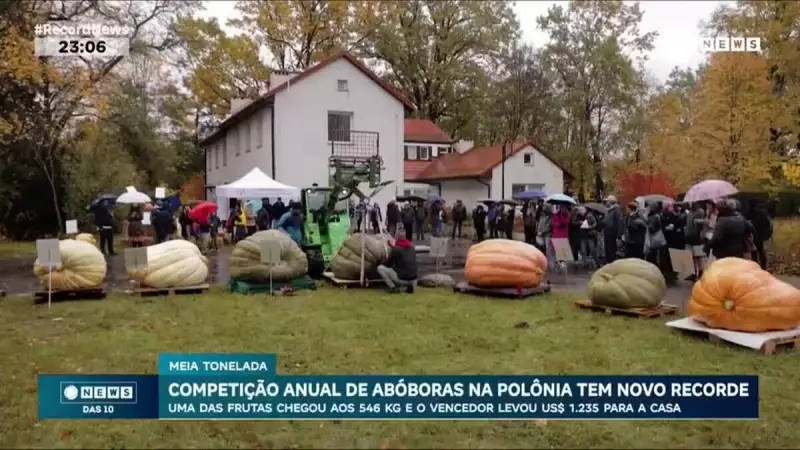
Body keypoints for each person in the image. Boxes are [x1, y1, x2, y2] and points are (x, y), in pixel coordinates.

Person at [645, 202, 673, 283]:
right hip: (661, 239)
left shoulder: (654, 217)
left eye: (650, 207)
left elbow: (652, 229)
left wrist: (646, 222)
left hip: (656, 240)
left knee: (653, 256)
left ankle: (656, 274)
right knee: (659, 257)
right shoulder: (659, 216)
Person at [684, 202, 708, 281]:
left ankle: (701, 272)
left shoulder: (700, 211)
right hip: (689, 236)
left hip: (696, 236)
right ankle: (693, 273)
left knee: (698, 255)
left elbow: (700, 224)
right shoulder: (690, 212)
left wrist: (698, 224)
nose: (690, 203)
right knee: (691, 256)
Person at [746, 200, 772, 269]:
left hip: (753, 235)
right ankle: (764, 266)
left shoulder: (748, 214)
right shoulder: (762, 213)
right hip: (761, 235)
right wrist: (768, 233)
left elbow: (747, 224)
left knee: (753, 251)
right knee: (761, 251)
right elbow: (768, 223)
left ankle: (755, 266)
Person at [602, 196, 624, 264]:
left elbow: (620, 223)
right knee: (608, 250)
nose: (606, 202)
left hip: (613, 235)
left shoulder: (616, 211)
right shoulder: (609, 210)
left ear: (611, 202)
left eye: (607, 201)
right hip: (608, 234)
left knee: (612, 251)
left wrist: (618, 236)